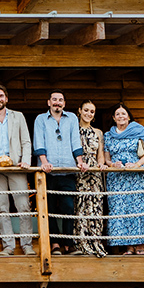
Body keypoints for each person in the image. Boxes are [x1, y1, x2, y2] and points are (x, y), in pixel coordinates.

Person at [0, 84, 35, 256]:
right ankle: (8, 246)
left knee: (23, 206)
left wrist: (25, 161)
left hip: (16, 167)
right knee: (2, 208)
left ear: (6, 98)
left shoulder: (18, 116)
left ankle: (27, 245)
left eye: (1, 96)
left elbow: (26, 141)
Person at [33, 90, 87, 255]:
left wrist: (80, 161)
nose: (57, 102)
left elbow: (75, 139)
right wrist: (44, 162)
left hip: (67, 169)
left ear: (64, 103)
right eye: (54, 100)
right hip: (47, 171)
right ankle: (55, 244)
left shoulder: (71, 117)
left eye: (60, 100)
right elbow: (38, 140)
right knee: (49, 208)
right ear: (48, 102)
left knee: (68, 207)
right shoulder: (41, 119)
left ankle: (69, 244)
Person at [103, 103, 144, 255]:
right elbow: (107, 159)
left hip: (137, 176)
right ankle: (128, 247)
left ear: (129, 116)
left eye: (123, 113)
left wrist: (137, 164)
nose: (121, 116)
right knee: (121, 210)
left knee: (138, 209)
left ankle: (140, 246)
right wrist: (113, 164)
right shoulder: (108, 135)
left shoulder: (139, 130)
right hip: (117, 178)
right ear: (113, 117)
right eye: (118, 114)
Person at [72, 101, 108, 257]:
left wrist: (100, 164)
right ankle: (81, 243)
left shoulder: (98, 132)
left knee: (95, 206)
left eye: (92, 111)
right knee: (80, 205)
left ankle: (95, 242)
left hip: (94, 171)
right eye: (86, 110)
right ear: (79, 111)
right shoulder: (73, 130)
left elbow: (100, 154)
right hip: (79, 168)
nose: (88, 113)